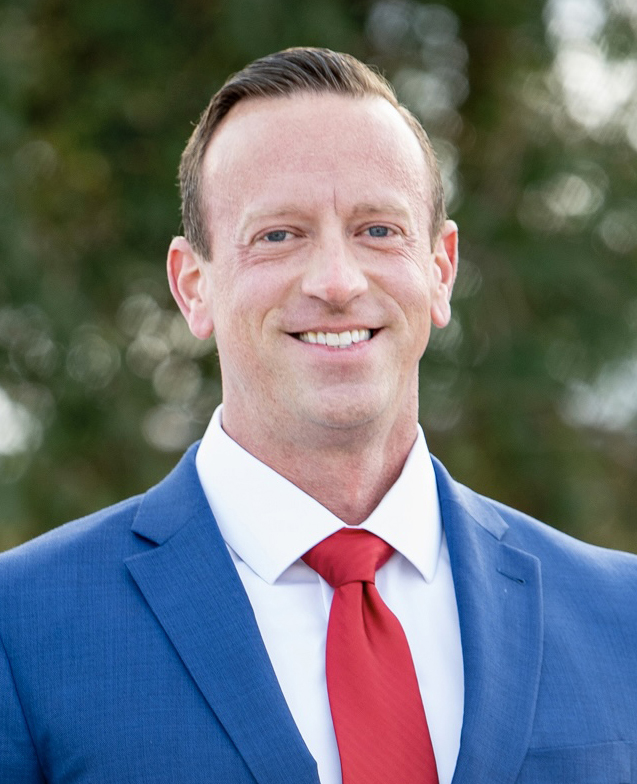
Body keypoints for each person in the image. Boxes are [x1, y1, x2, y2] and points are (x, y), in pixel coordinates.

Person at [1, 47, 636, 784]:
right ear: (193, 286)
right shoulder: (22, 628)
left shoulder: (618, 615)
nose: (337, 282)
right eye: (279, 234)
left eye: (378, 230)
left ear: (440, 269)